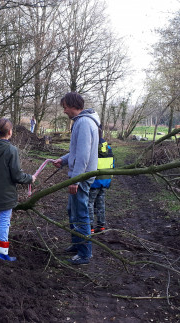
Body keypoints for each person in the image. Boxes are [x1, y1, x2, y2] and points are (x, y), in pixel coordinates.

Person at [0, 118, 36, 261]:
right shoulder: (11, 150)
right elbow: (16, 175)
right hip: (6, 194)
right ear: (10, 132)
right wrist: (30, 179)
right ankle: (3, 253)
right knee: (4, 221)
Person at [52, 92, 99, 265]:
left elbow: (83, 155)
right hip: (80, 174)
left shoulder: (85, 123)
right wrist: (63, 160)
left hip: (82, 176)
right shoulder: (82, 122)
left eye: (65, 107)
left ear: (73, 106)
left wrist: (76, 180)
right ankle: (77, 244)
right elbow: (77, 150)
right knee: (72, 211)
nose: (64, 111)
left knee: (80, 213)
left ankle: (85, 254)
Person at [89, 128, 114, 233]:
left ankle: (90, 227)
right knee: (101, 203)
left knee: (89, 203)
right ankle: (101, 225)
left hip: (94, 181)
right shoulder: (108, 148)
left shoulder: (92, 148)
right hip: (106, 180)